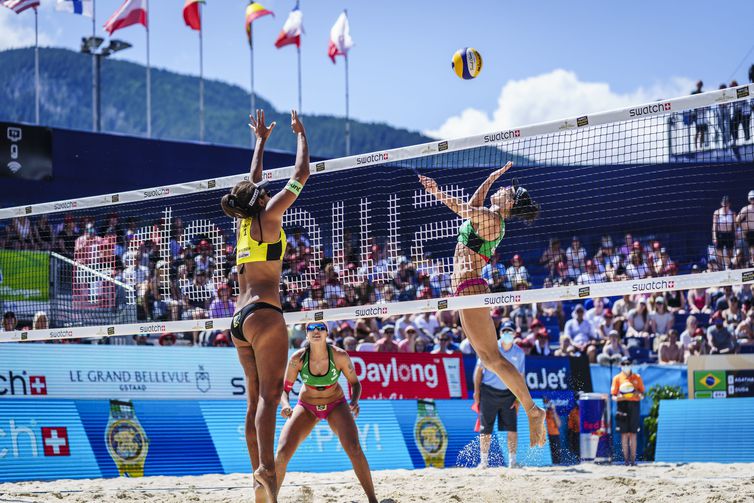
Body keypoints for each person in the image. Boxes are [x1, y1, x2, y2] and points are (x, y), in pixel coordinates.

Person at [419, 163, 547, 447]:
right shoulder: (489, 217)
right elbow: (473, 204)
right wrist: (491, 179)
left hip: (470, 289)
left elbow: (463, 209)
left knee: (492, 359)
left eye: (505, 190)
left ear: (510, 202)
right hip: (466, 290)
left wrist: (436, 191)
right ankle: (532, 410)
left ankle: (533, 411)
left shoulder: (491, 219)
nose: (501, 189)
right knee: (489, 359)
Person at [222, 109, 309, 503]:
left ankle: (257, 476)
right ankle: (266, 475)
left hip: (238, 319)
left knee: (255, 398)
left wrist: (260, 141)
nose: (261, 189)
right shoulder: (270, 216)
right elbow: (301, 174)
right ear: (259, 200)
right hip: (265, 315)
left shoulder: (244, 219)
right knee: (270, 398)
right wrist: (300, 136)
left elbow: (251, 182)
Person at [275, 322, 377, 503]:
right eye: (311, 329)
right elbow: (285, 389)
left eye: (320, 328)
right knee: (282, 453)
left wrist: (353, 401)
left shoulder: (339, 356)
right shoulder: (298, 358)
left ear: (327, 333)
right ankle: (271, 499)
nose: (316, 331)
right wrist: (285, 405)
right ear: (306, 335)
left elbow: (355, 383)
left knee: (354, 449)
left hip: (335, 404)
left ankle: (372, 500)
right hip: (307, 406)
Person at [473, 321, 526, 468]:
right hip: (488, 392)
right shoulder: (491, 348)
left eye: (510, 332)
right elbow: (478, 371)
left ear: (515, 334)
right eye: (504, 331)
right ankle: (483, 462)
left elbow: (521, 376)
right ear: (500, 333)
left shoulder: (519, 353)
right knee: (485, 429)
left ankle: (512, 462)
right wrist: (477, 392)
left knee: (512, 429)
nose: (507, 334)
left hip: (509, 394)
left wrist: (519, 397)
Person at [611, 357, 645, 466]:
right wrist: (619, 398)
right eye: (624, 364)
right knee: (624, 434)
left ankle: (633, 460)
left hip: (634, 405)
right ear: (621, 365)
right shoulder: (617, 378)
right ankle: (626, 461)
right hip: (622, 406)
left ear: (631, 365)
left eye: (628, 363)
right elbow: (613, 395)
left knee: (633, 434)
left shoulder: (637, 377)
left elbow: (642, 394)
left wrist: (636, 394)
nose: (626, 365)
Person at [712, 195, 737, 267]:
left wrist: (735, 237)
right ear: (721, 203)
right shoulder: (717, 213)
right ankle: (719, 267)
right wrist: (714, 236)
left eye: (726, 203)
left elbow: (734, 226)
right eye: (724, 203)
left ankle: (729, 267)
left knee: (730, 252)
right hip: (720, 235)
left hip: (729, 234)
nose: (725, 205)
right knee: (719, 252)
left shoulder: (732, 213)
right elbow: (714, 226)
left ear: (729, 204)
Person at [736, 190, 754, 265]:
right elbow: (737, 219)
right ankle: (752, 262)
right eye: (752, 199)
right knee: (752, 249)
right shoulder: (746, 209)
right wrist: (743, 227)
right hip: (750, 233)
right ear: (749, 199)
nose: (753, 200)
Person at [543, 396, 562, 465]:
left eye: (547, 402)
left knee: (556, 455)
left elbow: (559, 424)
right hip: (545, 436)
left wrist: (554, 411)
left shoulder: (553, 413)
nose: (546, 404)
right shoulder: (542, 413)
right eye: (544, 402)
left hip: (554, 435)